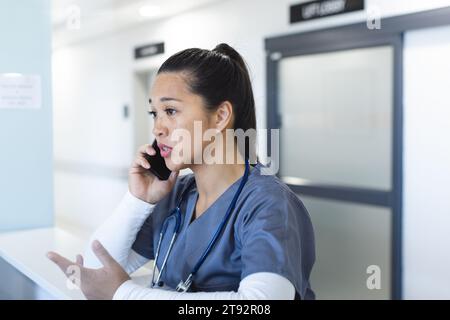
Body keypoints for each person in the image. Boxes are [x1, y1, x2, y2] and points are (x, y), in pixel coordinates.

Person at [47, 43, 315, 300]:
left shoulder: (268, 203)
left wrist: (125, 295)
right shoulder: (177, 193)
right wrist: (138, 200)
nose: (157, 129)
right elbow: (96, 270)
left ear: (221, 116)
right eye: (155, 113)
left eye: (171, 110)